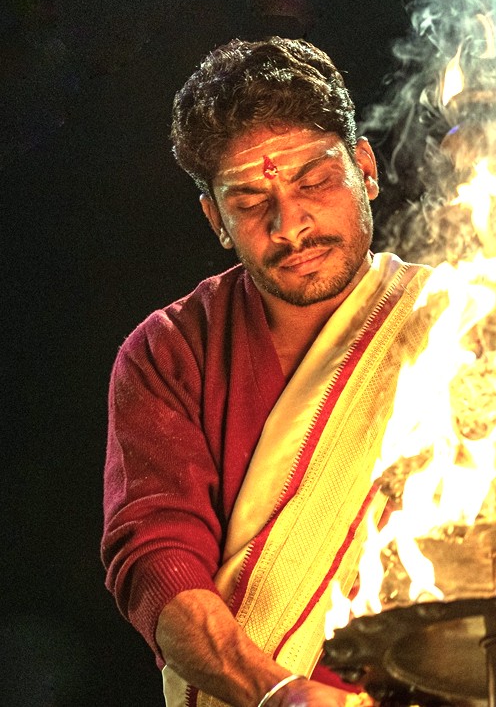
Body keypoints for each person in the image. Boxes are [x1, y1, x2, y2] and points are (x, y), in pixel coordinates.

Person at [101, 37, 430, 707]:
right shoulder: (171, 353)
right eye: (250, 201)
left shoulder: (459, 328)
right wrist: (281, 695)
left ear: (364, 168)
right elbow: (155, 559)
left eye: (313, 180)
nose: (290, 223)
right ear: (215, 218)